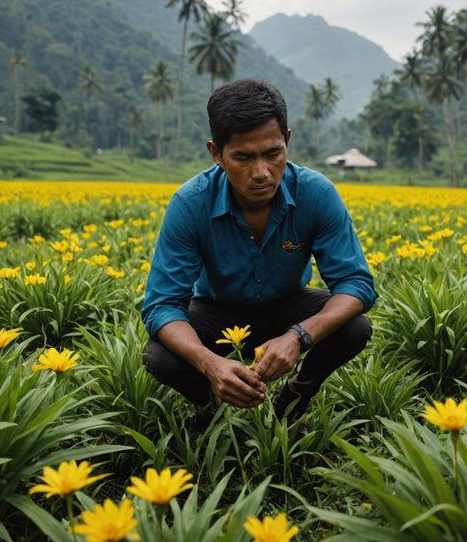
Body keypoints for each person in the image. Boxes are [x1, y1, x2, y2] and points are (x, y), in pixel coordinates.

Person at [141, 79, 376, 433]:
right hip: (216, 312)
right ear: (216, 154)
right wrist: (210, 364)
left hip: (287, 306)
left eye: (273, 153)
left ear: (288, 141)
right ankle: (211, 406)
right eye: (243, 158)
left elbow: (356, 284)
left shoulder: (316, 194)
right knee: (159, 354)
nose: (262, 173)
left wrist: (299, 336)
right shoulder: (190, 204)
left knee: (354, 327)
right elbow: (162, 304)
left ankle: (293, 400)